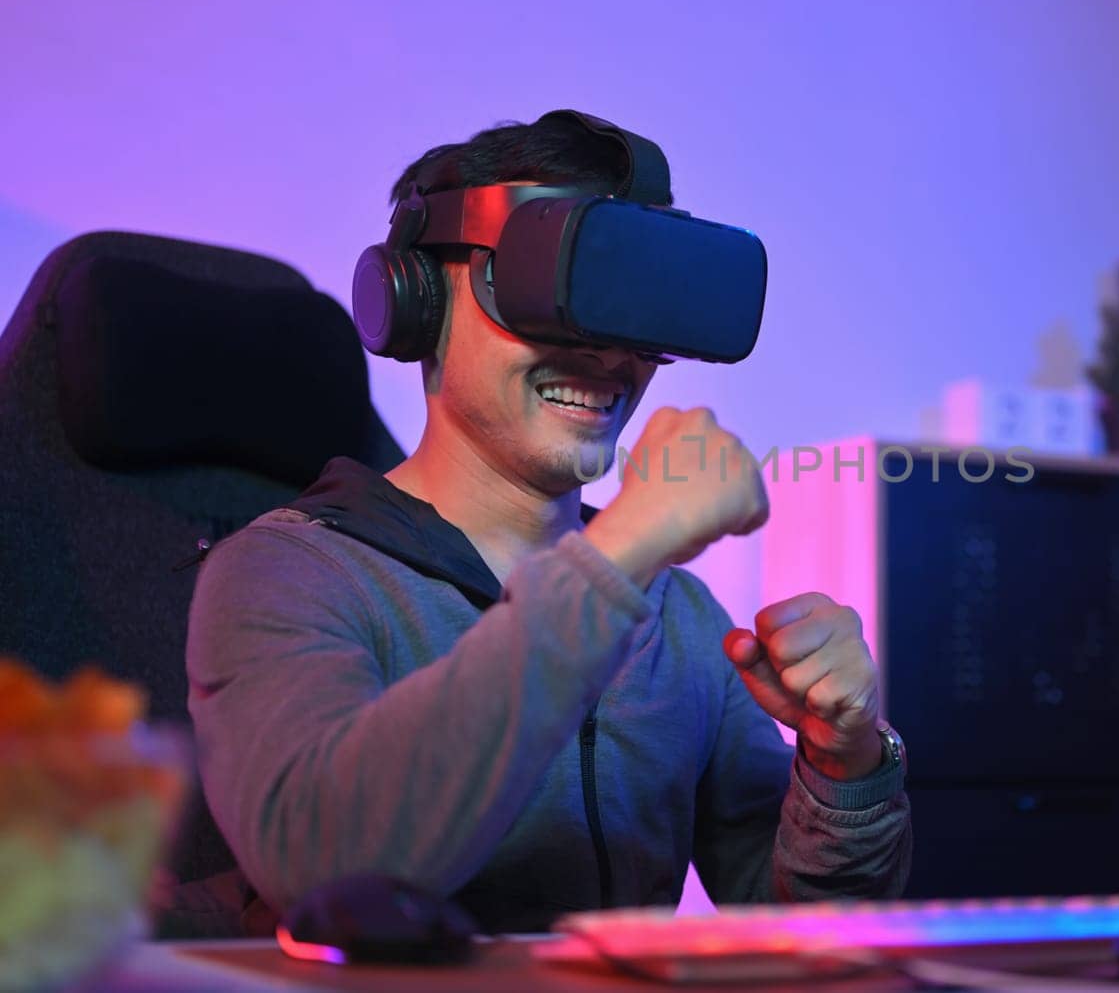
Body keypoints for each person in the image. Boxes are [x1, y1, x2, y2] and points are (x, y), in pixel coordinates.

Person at [184, 111, 912, 933]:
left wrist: (843, 760)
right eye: (543, 289)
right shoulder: (286, 574)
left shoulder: (678, 619)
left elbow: (810, 935)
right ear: (417, 298)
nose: (606, 355)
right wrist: (620, 554)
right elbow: (326, 867)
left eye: (623, 300)